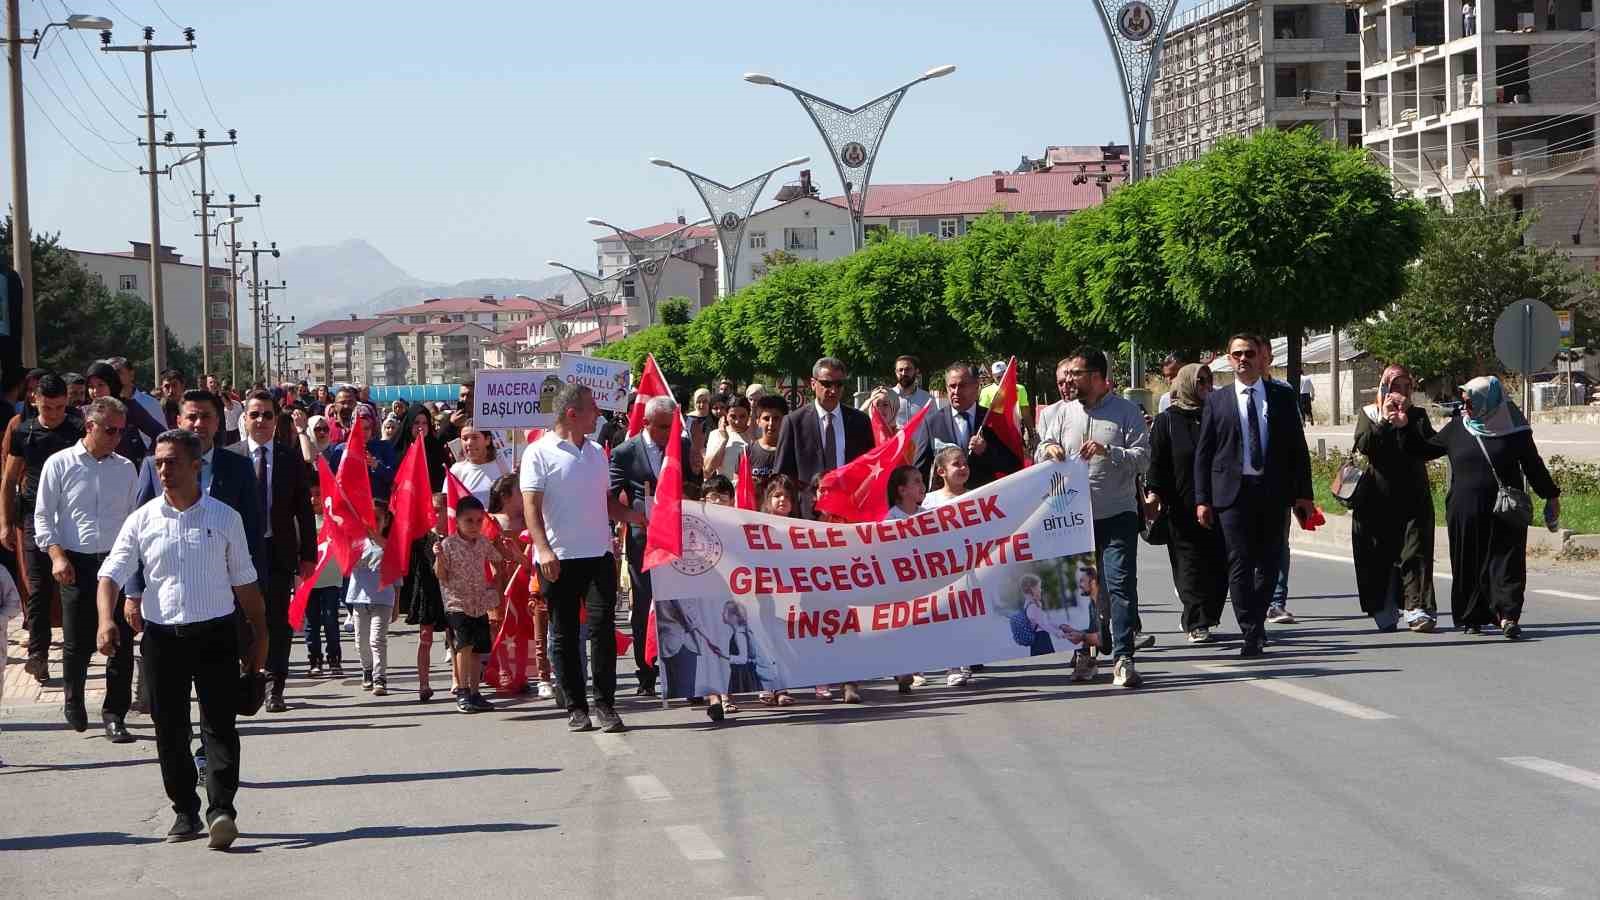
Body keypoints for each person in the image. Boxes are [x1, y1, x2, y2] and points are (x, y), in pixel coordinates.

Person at [96, 428, 265, 850]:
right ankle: (185, 811)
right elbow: (111, 575)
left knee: (219, 726)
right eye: (159, 462)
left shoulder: (224, 518)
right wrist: (105, 620)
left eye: (172, 461)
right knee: (169, 730)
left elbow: (246, 586)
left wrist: (260, 638)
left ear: (195, 466)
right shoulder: (143, 519)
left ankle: (221, 809)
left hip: (216, 634)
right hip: (162, 640)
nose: (164, 469)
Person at [523, 384, 644, 733]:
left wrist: (638, 517)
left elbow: (606, 503)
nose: (598, 414)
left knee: (603, 629)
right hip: (558, 557)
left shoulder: (595, 452)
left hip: (598, 554)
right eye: (593, 408)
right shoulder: (538, 452)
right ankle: (576, 706)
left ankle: (605, 704)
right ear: (572, 414)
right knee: (563, 632)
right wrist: (543, 548)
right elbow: (531, 507)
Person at [1398, 376, 1557, 638]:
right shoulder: (1459, 426)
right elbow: (1425, 450)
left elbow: (1533, 465)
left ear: (1488, 400)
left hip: (1505, 508)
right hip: (1464, 508)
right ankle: (1472, 617)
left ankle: (1507, 616)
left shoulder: (1515, 428)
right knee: (1467, 562)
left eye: (1471, 402)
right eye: (1464, 402)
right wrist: (1404, 427)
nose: (1466, 407)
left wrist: (1550, 495)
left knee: (1507, 561)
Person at [1193, 334, 1315, 657]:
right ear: (1228, 359)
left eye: (1249, 353)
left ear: (1260, 357)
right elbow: (1204, 454)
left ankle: (1257, 621)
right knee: (1239, 562)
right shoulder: (1217, 401)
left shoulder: (1281, 397)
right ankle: (1250, 629)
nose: (1243, 359)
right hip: (1231, 494)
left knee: (1271, 561)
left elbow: (1297, 450)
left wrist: (1304, 495)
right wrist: (1202, 499)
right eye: (1237, 354)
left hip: (1272, 491)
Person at [1038, 348, 1151, 687]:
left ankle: (1123, 658)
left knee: (1118, 586)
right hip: (1073, 519)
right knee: (1081, 591)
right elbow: (1043, 447)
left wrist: (1109, 452)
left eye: (1076, 374)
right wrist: (1048, 449)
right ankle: (1084, 657)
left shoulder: (1126, 412)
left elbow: (1143, 460)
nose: (1069, 380)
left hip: (1117, 514)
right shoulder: (1062, 413)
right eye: (1068, 374)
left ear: (1098, 377)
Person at [33, 397, 140, 740]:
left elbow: (132, 521)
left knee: (120, 641)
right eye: (110, 430)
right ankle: (74, 699)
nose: (116, 437)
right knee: (78, 641)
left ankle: (114, 714)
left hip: (116, 562)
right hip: (75, 562)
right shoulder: (59, 464)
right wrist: (56, 555)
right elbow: (43, 517)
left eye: (121, 431)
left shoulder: (125, 468)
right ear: (90, 425)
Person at [227, 390, 316, 713]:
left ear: (276, 420)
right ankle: (246, 673)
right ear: (245, 419)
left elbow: (303, 511)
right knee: (241, 619)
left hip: (278, 553)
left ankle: (274, 685)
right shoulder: (231, 457)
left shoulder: (289, 457)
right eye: (255, 415)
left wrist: (308, 556)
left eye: (267, 415)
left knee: (278, 621)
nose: (261, 421)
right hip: (239, 554)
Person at [2, 374, 86, 683]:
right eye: (47, 407)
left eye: (60, 407)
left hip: (71, 520)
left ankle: (77, 652)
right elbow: (9, 480)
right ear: (35, 400)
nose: (53, 414)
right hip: (33, 518)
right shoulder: (24, 432)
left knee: (71, 590)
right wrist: (5, 523)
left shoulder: (78, 430)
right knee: (37, 590)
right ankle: (38, 655)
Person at [609, 396, 692, 698]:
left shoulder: (681, 445)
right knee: (644, 605)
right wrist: (635, 515)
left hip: (678, 536)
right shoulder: (625, 452)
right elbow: (613, 493)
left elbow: (693, 483)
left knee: (680, 602)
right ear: (645, 423)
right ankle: (646, 672)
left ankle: (681, 668)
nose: (667, 433)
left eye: (671, 428)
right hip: (644, 539)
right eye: (661, 428)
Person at [1349, 365, 1439, 632]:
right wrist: (1386, 422)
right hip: (1377, 498)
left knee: (1415, 552)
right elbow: (1365, 446)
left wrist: (1407, 425)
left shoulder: (1418, 415)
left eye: (1405, 387)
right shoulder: (1370, 413)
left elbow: (1431, 448)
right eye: (1394, 387)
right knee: (1380, 556)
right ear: (1384, 388)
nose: (1400, 393)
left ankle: (1416, 608)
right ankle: (1385, 607)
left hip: (1413, 497)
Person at [1146, 363, 1229, 644]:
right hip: (1180, 507)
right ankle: (1195, 620)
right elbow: (1155, 462)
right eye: (1200, 381)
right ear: (1186, 384)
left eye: (1208, 380)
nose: (1206, 386)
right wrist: (1154, 495)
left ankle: (1209, 613)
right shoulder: (1167, 420)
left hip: (1218, 502)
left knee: (1220, 565)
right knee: (1189, 566)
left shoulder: (1217, 415)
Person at [920, 362, 1021, 488]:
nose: (956, 391)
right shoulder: (932, 423)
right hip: (947, 502)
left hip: (983, 499)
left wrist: (986, 451)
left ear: (976, 386)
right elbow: (921, 470)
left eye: (962, 386)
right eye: (952, 386)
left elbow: (1014, 465)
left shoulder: (993, 419)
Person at [882, 465, 926, 695]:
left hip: (922, 582)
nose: (922, 485)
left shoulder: (928, 515)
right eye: (916, 481)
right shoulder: (890, 520)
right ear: (902, 490)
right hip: (898, 584)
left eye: (921, 480)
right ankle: (902, 670)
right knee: (901, 627)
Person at [403, 492, 451, 702]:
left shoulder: (454, 537)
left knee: (455, 639)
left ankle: (458, 681)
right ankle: (424, 683)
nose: (435, 513)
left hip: (450, 593)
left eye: (439, 509)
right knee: (425, 639)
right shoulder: (422, 537)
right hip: (427, 592)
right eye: (432, 509)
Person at [346, 501, 396, 695]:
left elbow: (397, 574)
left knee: (377, 639)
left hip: (383, 599)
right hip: (359, 598)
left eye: (377, 519)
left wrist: (397, 602)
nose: (373, 523)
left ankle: (380, 677)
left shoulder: (390, 544)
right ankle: (367, 670)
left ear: (385, 521)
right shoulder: (356, 542)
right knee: (361, 642)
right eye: (369, 519)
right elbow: (347, 564)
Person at [325, 403, 397, 500]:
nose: (362, 433)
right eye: (358, 428)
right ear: (351, 427)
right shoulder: (341, 450)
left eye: (366, 428)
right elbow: (332, 482)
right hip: (351, 507)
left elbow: (394, 478)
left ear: (372, 428)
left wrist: (376, 465)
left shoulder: (384, 447)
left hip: (378, 508)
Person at [394, 401, 451, 492]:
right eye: (416, 423)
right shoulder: (397, 448)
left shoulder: (436, 448)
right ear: (409, 425)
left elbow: (443, 477)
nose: (420, 427)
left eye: (424, 423)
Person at [449, 422, 509, 506]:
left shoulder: (505, 467)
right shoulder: (456, 471)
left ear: (487, 440)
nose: (469, 443)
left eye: (475, 438)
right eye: (465, 439)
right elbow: (448, 504)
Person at [703, 395, 752, 485]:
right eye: (733, 417)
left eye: (742, 416)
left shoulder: (756, 434)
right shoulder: (716, 434)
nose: (737, 421)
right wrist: (724, 440)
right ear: (726, 415)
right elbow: (708, 469)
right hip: (725, 492)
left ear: (749, 415)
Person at [980, 360, 1032, 430]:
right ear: (993, 375)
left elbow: (1025, 413)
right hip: (995, 432)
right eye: (998, 376)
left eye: (1003, 374)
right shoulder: (986, 391)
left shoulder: (1020, 389)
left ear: (1007, 373)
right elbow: (983, 415)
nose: (1001, 378)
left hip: (1016, 430)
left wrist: (1031, 433)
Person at [746, 395, 786, 484]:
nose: (771, 423)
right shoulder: (748, 451)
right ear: (758, 421)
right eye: (766, 419)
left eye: (776, 419)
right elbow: (740, 485)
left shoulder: (791, 451)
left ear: (784, 420)